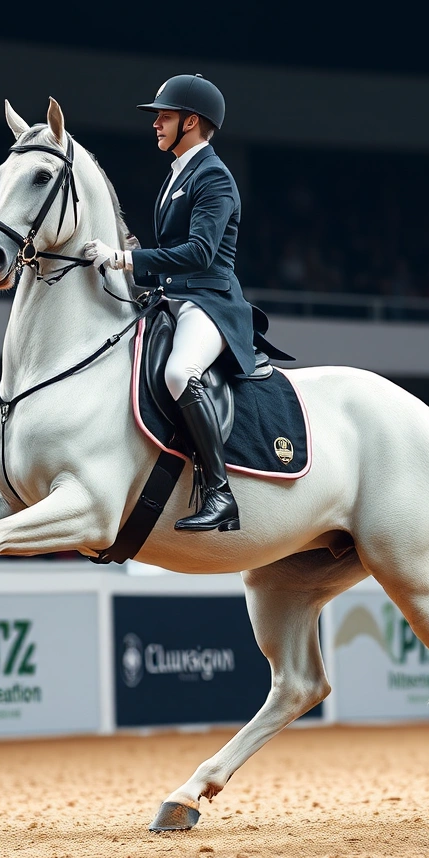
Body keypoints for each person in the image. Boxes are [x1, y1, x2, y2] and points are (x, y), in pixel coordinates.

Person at [80, 74, 289, 533]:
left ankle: (220, 492)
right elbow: (172, 254)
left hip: (209, 302)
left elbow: (198, 254)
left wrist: (124, 258)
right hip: (176, 297)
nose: (156, 123)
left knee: (179, 373)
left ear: (191, 122)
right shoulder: (179, 173)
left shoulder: (214, 176)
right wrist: (135, 253)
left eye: (165, 116)